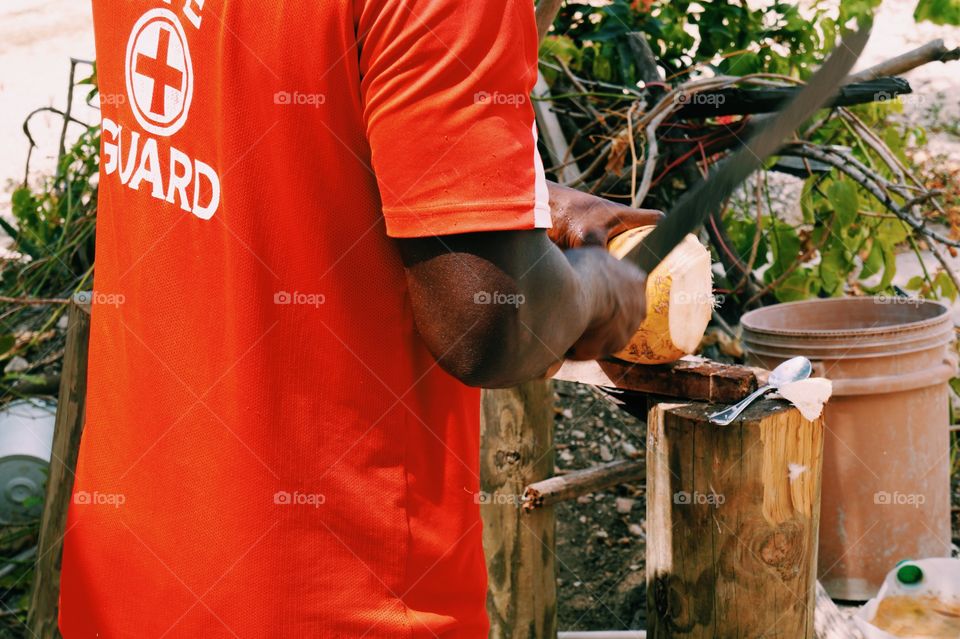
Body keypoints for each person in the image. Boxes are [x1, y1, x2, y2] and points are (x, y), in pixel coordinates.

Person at [59, 1, 657, 636]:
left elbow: (264, 144)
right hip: (332, 597)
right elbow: (488, 324)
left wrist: (497, 203)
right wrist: (600, 286)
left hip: (131, 577)